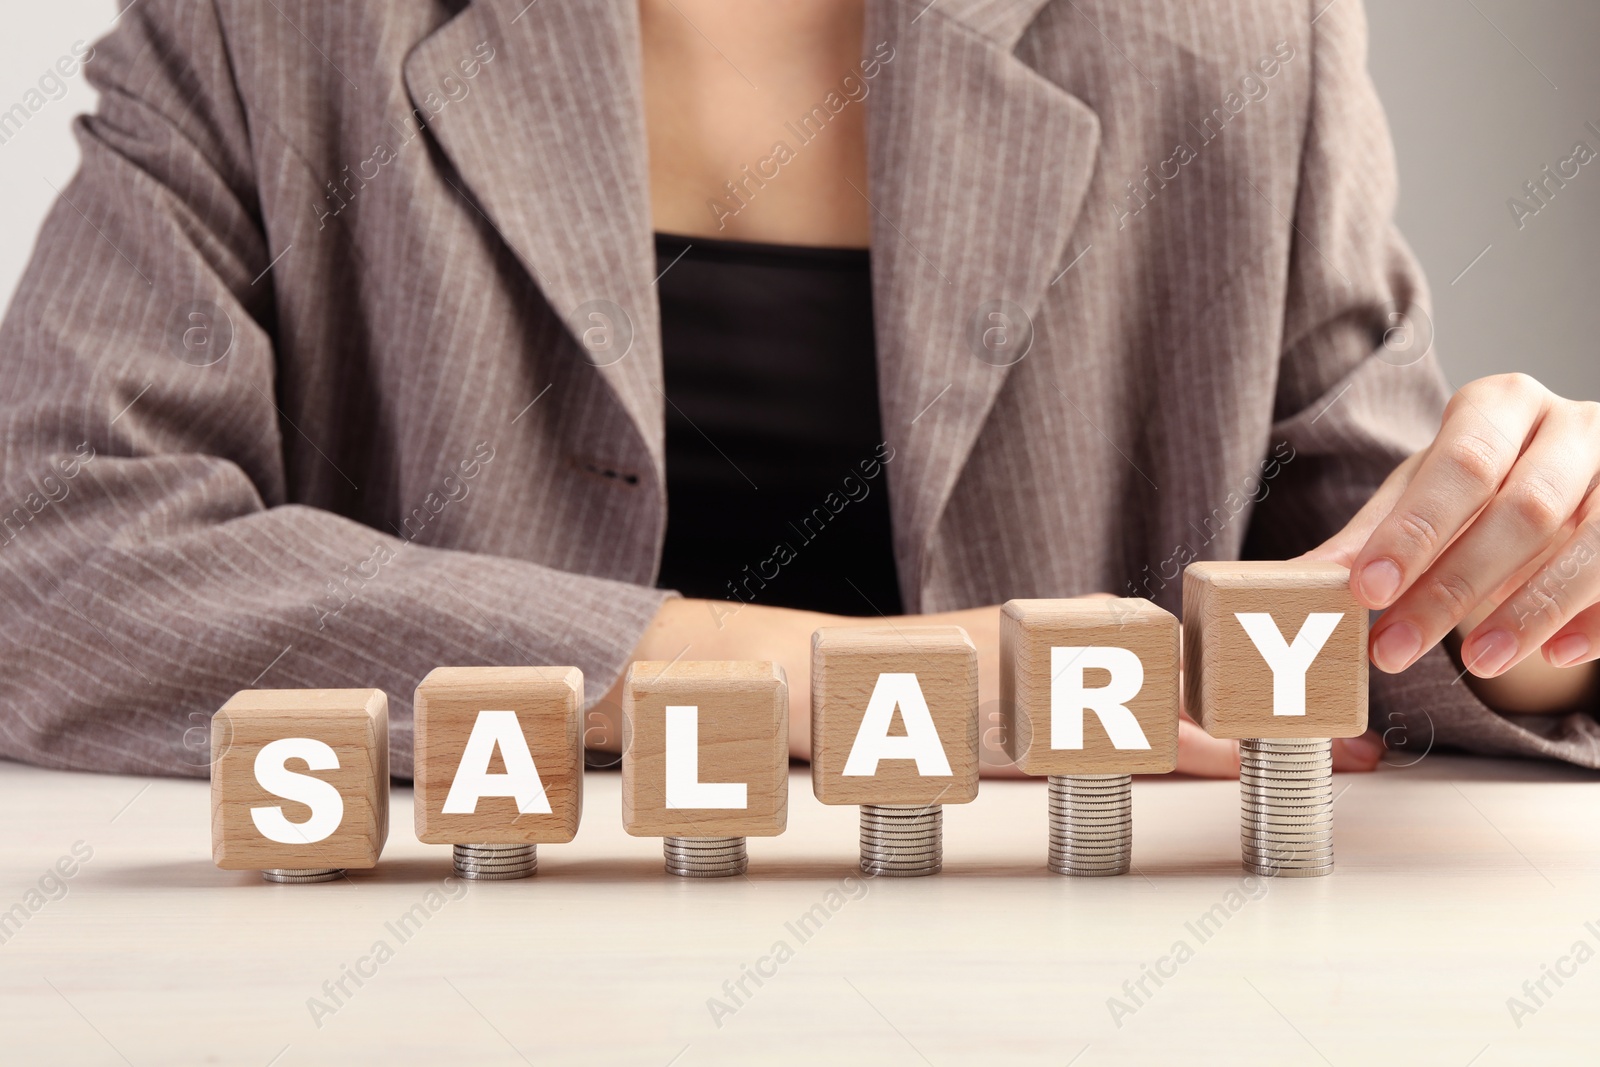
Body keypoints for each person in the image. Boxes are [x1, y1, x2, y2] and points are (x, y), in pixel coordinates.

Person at [0, 0, 1595, 780]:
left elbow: (1367, 627)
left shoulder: (1229, 35)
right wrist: (874, 684)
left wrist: (1541, 591)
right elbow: (58, 571)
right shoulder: (265, 27)